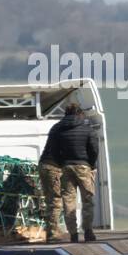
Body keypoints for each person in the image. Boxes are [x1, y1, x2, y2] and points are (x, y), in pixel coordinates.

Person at [48, 102, 100, 243]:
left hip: (65, 167)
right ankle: (88, 231)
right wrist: (91, 164)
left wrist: (61, 163)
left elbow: (53, 150)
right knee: (87, 200)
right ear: (79, 113)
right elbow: (94, 149)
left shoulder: (59, 129)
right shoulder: (87, 129)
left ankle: (73, 234)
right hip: (84, 167)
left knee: (68, 200)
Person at [37, 119, 65, 243]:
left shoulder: (55, 127)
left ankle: (51, 229)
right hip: (53, 166)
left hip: (43, 164)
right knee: (55, 200)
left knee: (49, 199)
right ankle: (53, 233)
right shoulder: (67, 129)